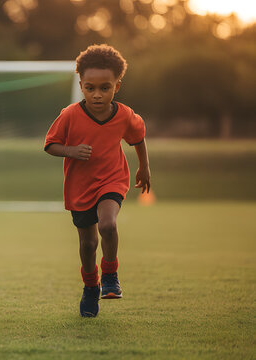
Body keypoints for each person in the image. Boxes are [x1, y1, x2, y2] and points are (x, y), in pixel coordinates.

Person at [44, 44, 151, 317]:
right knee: (88, 244)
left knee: (108, 223)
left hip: (113, 179)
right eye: (90, 87)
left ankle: (111, 274)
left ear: (118, 85)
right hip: (79, 187)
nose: (97, 94)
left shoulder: (125, 115)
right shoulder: (69, 115)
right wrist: (71, 151)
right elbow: (50, 145)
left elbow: (138, 139)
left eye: (105, 87)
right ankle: (90, 287)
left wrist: (144, 169)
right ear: (81, 85)